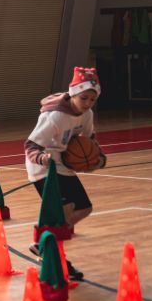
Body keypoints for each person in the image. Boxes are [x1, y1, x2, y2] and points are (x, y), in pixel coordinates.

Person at [23, 67, 107, 281]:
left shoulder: (87, 114)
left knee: (84, 208)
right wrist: (43, 158)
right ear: (73, 94)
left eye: (92, 99)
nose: (87, 103)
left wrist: (99, 158)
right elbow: (31, 145)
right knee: (64, 210)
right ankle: (56, 256)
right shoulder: (55, 116)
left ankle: (45, 240)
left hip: (64, 164)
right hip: (44, 168)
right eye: (83, 98)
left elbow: (90, 141)